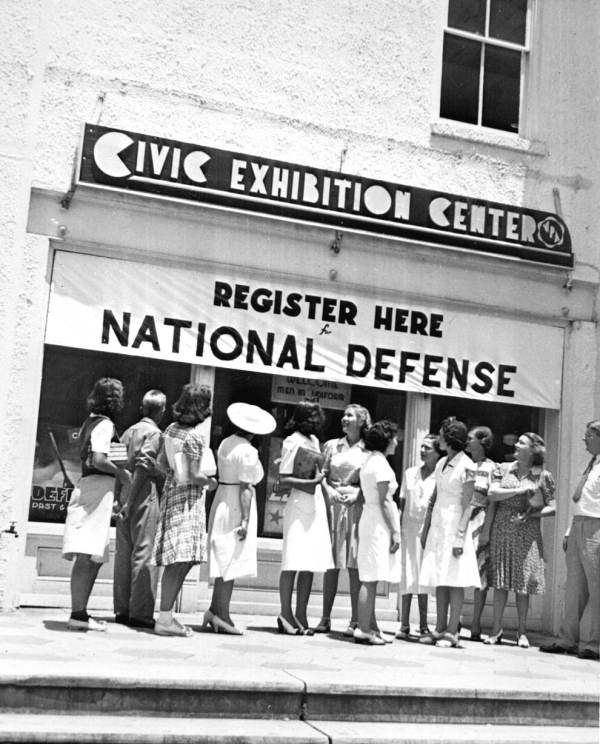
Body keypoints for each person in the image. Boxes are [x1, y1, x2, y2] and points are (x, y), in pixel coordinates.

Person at [62, 377, 131, 631]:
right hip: (96, 488)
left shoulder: (91, 422)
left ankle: (81, 612)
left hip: (96, 488)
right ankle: (77, 613)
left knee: (92, 555)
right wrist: (122, 474)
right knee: (87, 553)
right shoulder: (105, 425)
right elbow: (100, 459)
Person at [151, 383, 217, 637]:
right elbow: (194, 474)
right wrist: (210, 482)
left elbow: (161, 463)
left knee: (181, 559)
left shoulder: (170, 429)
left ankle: (167, 615)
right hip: (188, 500)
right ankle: (165, 617)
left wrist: (174, 474)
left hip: (171, 493)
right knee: (181, 559)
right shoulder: (194, 436)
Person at [204, 402, 276, 635]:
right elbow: (246, 486)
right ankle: (222, 614)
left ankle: (215, 609)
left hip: (223, 497)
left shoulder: (226, 442)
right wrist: (245, 520)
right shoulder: (248, 450)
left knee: (225, 555)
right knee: (232, 557)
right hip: (236, 501)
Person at [486, 432, 556, 648]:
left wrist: (530, 515)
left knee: (523, 584)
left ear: (533, 449)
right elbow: (492, 494)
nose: (516, 445)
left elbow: (553, 507)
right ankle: (496, 630)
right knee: (500, 581)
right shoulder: (504, 468)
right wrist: (520, 490)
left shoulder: (543, 476)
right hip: (503, 529)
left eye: (522, 443)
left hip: (527, 531)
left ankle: (522, 632)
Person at [540, 420, 600, 660]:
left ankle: (595, 644)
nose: (584, 440)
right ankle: (567, 640)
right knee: (574, 587)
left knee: (597, 588)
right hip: (578, 525)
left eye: (589, 436)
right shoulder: (593, 464)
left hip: (596, 527)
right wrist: (568, 529)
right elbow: (582, 500)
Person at [419, 417, 479, 648]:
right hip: (438, 524)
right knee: (439, 577)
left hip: (455, 525)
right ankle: (440, 627)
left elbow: (468, 503)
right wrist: (426, 529)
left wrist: (460, 535)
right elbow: (435, 497)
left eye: (442, 434)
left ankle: (453, 632)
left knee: (454, 579)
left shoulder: (468, 466)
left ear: (450, 437)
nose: (439, 438)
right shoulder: (442, 462)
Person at [315, 404, 372, 636]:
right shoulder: (331, 446)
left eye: (350, 416)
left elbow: (371, 480)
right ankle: (325, 617)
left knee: (354, 563)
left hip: (356, 508)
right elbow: (321, 475)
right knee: (331, 564)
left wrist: (358, 494)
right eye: (344, 415)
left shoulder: (368, 450)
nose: (344, 419)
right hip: (333, 507)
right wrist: (327, 490)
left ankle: (355, 619)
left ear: (361, 421)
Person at [277, 401, 333, 635]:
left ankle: (301, 613)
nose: (316, 422)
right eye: (312, 417)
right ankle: (285, 613)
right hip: (299, 504)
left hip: (315, 502)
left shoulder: (314, 441)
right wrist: (311, 482)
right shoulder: (292, 441)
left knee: (308, 563)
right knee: (293, 561)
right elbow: (284, 478)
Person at [113, 389, 167, 629]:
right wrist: (132, 500)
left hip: (124, 490)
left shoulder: (128, 432)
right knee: (144, 554)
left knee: (124, 553)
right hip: (143, 494)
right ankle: (141, 612)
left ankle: (122, 609)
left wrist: (119, 498)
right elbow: (144, 466)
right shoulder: (155, 434)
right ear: (160, 411)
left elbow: (118, 465)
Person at [354, 419, 401, 645]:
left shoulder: (370, 461)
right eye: (394, 437)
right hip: (378, 522)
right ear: (386, 440)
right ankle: (363, 629)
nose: (397, 441)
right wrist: (395, 532)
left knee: (370, 575)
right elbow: (383, 502)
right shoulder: (380, 464)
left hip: (370, 519)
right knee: (370, 578)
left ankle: (371, 626)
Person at [396, 434, 442, 640]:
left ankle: (423, 624)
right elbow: (402, 503)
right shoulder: (410, 473)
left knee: (423, 576)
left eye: (428, 448)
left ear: (437, 452)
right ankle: (404, 624)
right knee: (407, 576)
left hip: (429, 532)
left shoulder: (440, 476)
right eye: (421, 447)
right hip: (409, 530)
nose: (423, 451)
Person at [465, 426, 496, 641]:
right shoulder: (462, 464)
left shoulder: (492, 468)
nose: (466, 441)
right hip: (460, 521)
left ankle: (475, 622)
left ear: (482, 441)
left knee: (480, 573)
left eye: (470, 438)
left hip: (480, 521)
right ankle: (453, 620)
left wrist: (486, 531)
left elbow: (493, 501)